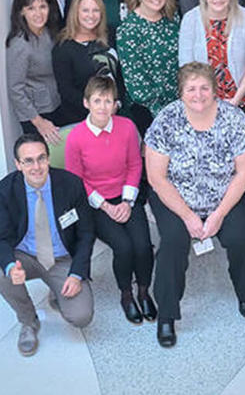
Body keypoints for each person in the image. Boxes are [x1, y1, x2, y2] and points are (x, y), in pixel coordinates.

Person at [144, 62, 245, 347]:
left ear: (215, 91)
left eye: (204, 87)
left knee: (242, 237)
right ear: (181, 92)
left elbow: (244, 172)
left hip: (223, 196)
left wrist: (218, 215)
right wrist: (187, 216)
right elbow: (156, 177)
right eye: (191, 89)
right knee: (173, 243)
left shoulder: (233, 118)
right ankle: (167, 315)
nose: (198, 94)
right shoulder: (166, 120)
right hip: (176, 198)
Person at [0, 135, 95, 356]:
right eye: (28, 161)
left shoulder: (71, 184)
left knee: (81, 317)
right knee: (1, 274)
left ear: (48, 159)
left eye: (41, 158)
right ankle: (28, 321)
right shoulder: (5, 190)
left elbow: (86, 233)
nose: (36, 167)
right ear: (18, 164)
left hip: (62, 258)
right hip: (25, 255)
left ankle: (56, 291)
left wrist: (77, 274)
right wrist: (11, 266)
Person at [64, 76, 154, 324]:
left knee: (143, 245)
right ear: (86, 103)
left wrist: (126, 201)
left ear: (115, 104)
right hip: (95, 202)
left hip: (126, 195)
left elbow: (135, 164)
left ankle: (144, 291)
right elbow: (76, 180)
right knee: (123, 247)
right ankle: (126, 295)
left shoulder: (126, 127)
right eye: (97, 101)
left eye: (108, 101)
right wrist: (105, 206)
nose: (103, 107)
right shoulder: (76, 137)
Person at [179, 0, 245, 110]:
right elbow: (186, 66)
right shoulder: (190, 19)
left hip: (240, 99)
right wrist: (204, 99)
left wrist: (235, 100)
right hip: (202, 101)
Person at [6, 0, 72, 141]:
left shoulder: (49, 33)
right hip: (36, 115)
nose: (38, 13)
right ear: (21, 11)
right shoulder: (20, 44)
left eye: (42, 6)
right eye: (31, 8)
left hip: (55, 106)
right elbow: (16, 90)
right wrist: (38, 122)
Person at [117, 0, 181, 122]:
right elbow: (135, 82)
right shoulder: (128, 30)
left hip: (180, 102)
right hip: (148, 110)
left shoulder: (173, 20)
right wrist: (163, 115)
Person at [52, 0, 125, 125]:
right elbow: (66, 90)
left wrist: (116, 103)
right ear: (75, 13)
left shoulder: (110, 36)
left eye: (96, 10)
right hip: (82, 120)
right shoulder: (63, 48)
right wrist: (97, 109)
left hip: (115, 115)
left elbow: (120, 74)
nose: (91, 15)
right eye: (85, 10)